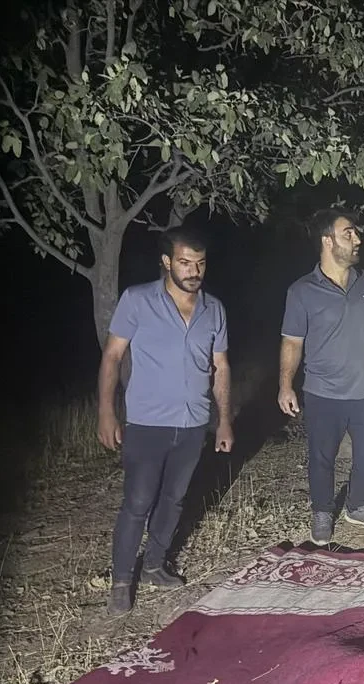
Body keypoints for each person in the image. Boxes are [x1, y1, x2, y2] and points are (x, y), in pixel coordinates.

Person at [97, 224, 233, 616]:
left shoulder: (214, 309)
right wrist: (107, 412)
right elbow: (112, 357)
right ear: (166, 262)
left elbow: (220, 366)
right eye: (185, 263)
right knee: (138, 501)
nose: (194, 271)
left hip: (192, 423)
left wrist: (224, 420)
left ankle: (155, 564)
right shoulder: (137, 301)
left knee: (173, 500)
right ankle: (122, 580)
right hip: (147, 423)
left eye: (200, 264)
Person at [279, 208, 364, 546]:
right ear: (328, 241)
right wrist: (285, 385)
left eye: (356, 233)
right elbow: (292, 342)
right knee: (321, 457)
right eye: (348, 233)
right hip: (323, 391)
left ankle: (358, 504)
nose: (357, 239)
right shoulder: (302, 291)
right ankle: (323, 511)